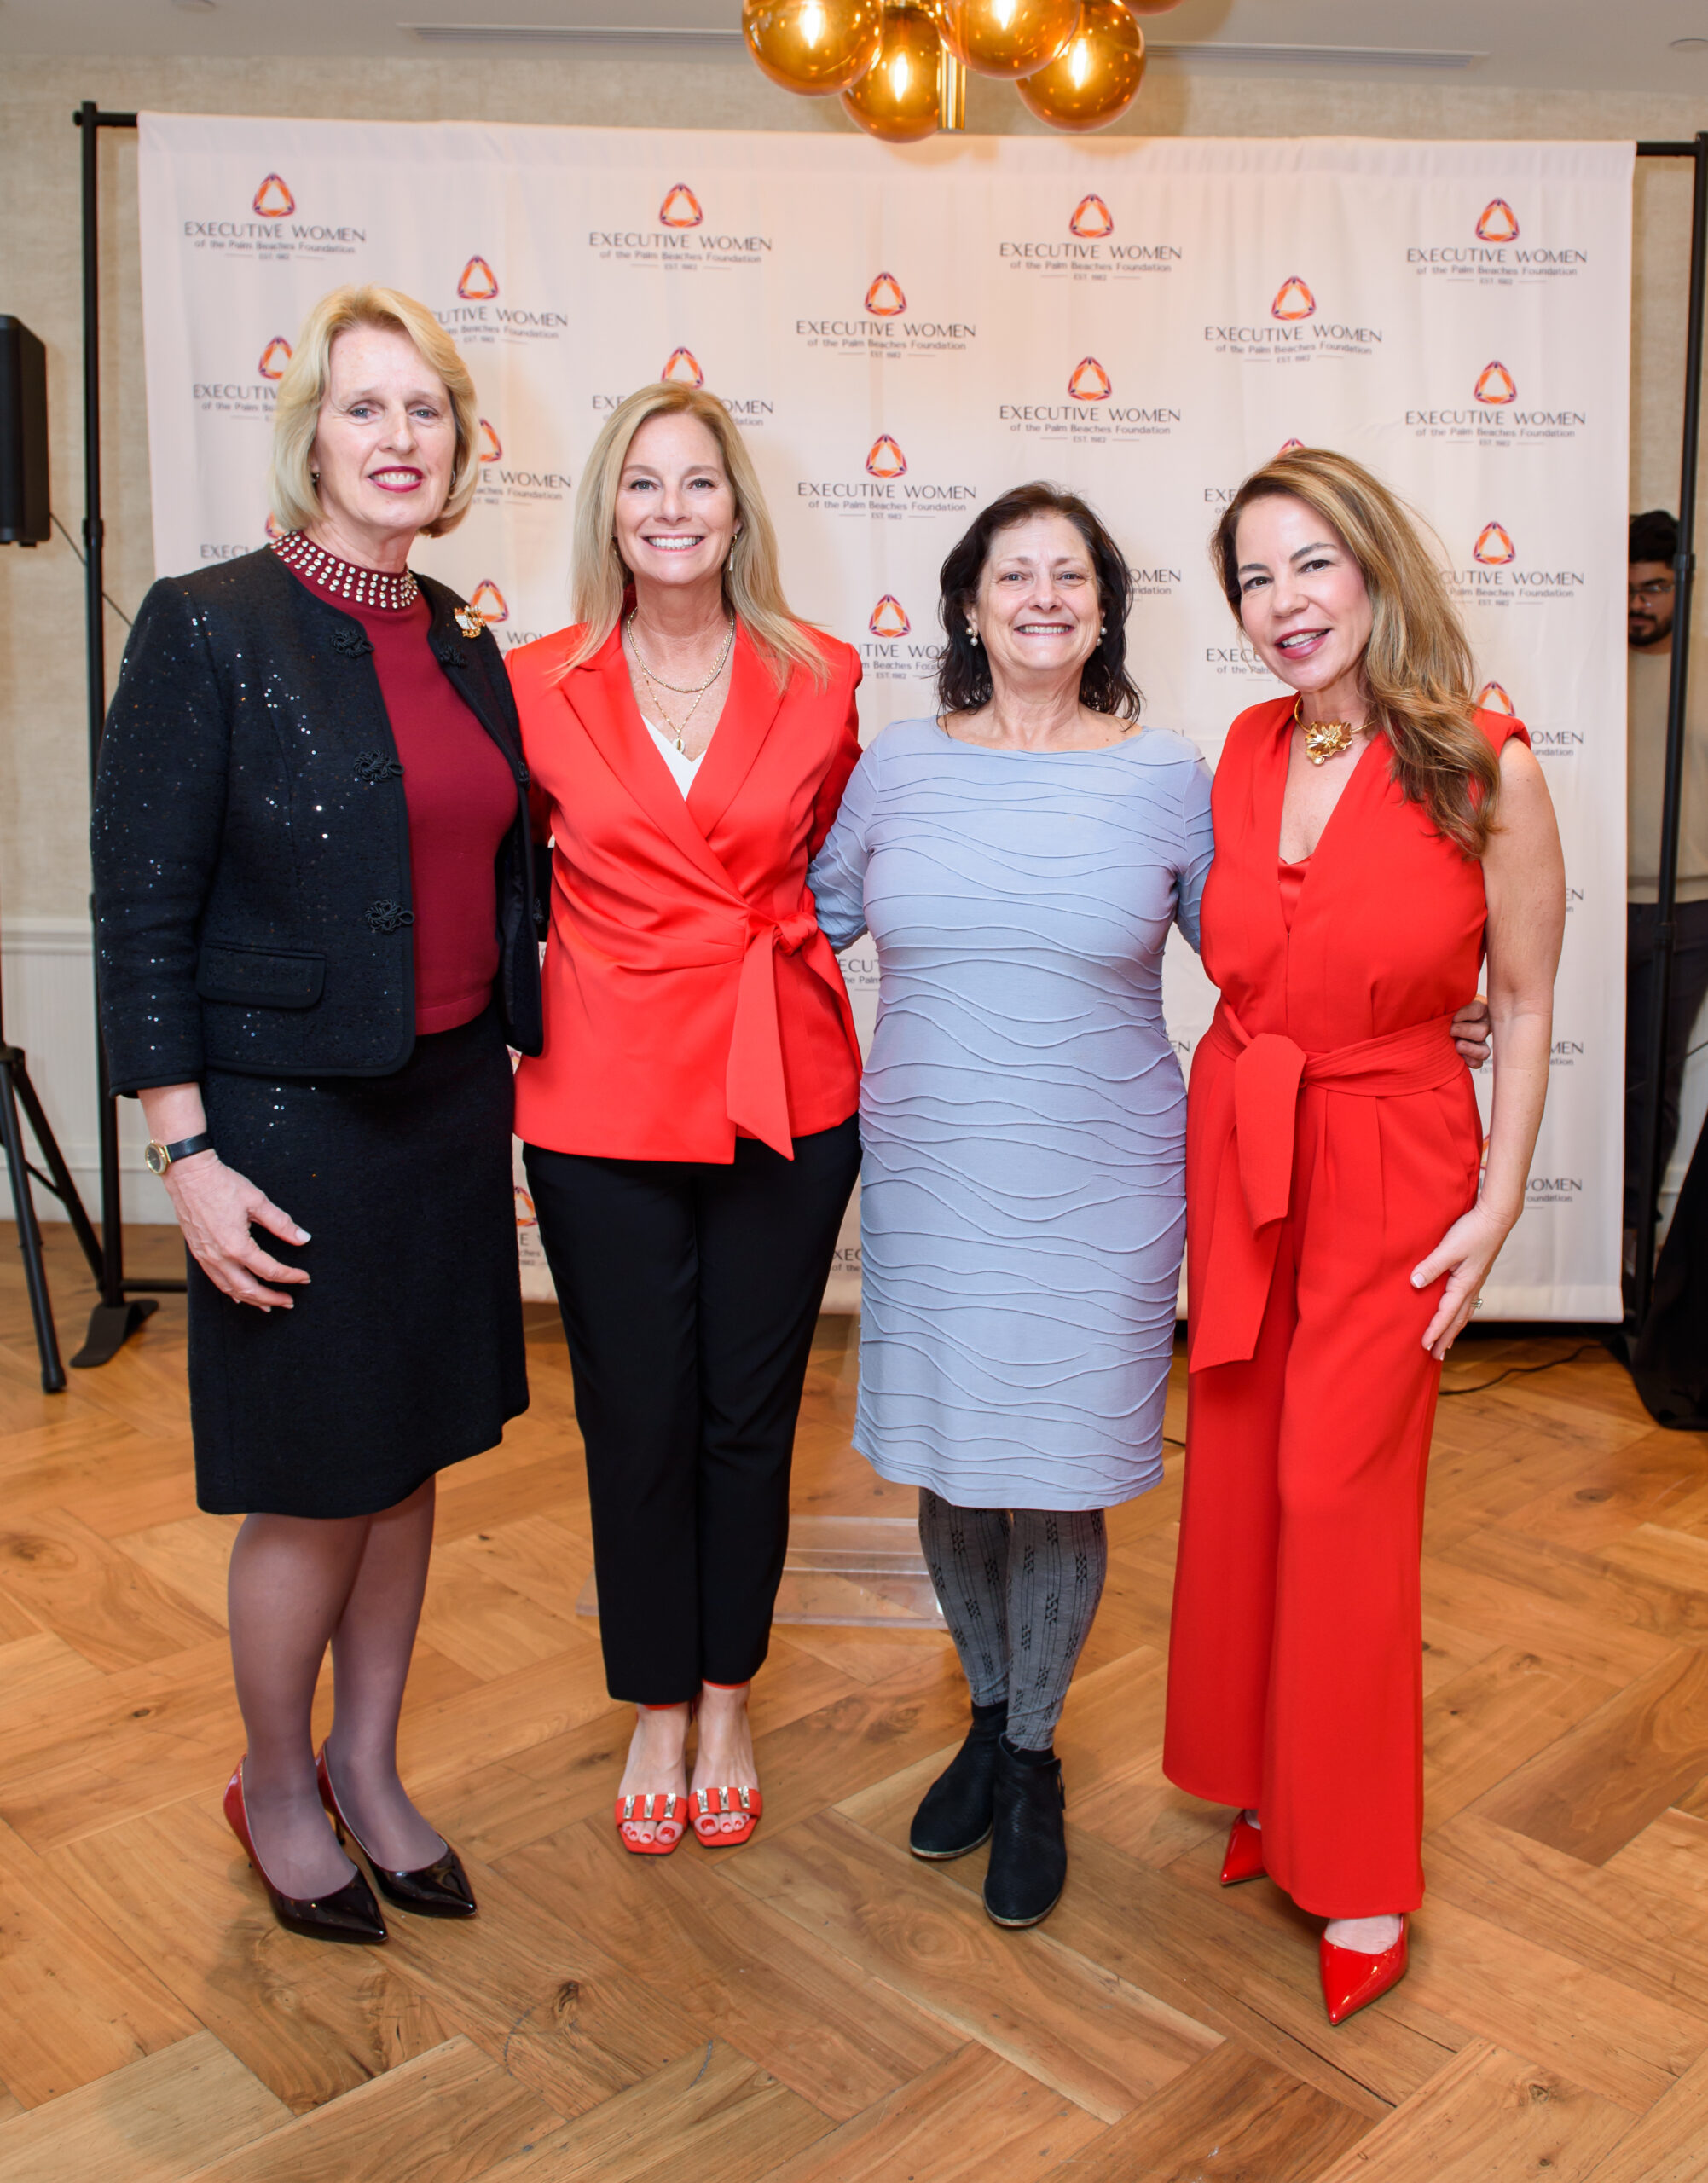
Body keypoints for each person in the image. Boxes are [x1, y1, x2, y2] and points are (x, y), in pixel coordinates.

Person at [93, 285, 541, 1943]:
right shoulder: (210, 626)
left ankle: (367, 1762)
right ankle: (275, 1782)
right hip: (282, 1128)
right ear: (311, 439)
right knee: (316, 1477)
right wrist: (186, 1153)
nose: (398, 437)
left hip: (446, 1109)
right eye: (366, 407)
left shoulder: (465, 641)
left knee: (407, 1459)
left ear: (460, 444)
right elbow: (143, 907)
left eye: (426, 409)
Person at [1163, 448, 1565, 2024]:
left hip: (1395, 1161)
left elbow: (1518, 1002)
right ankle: (1271, 1785)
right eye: (1252, 578)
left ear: (1376, 566)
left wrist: (1499, 1198)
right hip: (1246, 1142)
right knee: (1248, 1474)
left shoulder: (1484, 763)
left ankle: (1359, 1861)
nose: (1282, 604)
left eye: (1310, 564)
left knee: (1339, 1499)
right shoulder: (1245, 746)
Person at [808, 483, 1214, 1930]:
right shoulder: (896, 767)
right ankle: (985, 1716)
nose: (1041, 596)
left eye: (1068, 575)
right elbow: (791, 931)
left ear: (1102, 610)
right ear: (969, 609)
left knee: (1053, 1469)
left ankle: (1031, 1758)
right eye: (1011, 575)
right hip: (930, 1172)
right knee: (951, 1459)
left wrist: (1422, 1000)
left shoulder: (1167, 775)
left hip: (1102, 1175)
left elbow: (1264, 952)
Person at [508, 382, 863, 1856]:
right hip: (599, 1090)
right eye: (642, 483)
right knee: (635, 1413)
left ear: (735, 508)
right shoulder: (530, 681)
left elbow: (838, 864)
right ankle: (654, 1699)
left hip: (783, 1080)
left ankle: (726, 1695)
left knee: (745, 1413)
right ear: (608, 510)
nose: (671, 509)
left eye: (698, 482)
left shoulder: (823, 674)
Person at [1625, 508, 1708, 1274]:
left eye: (1652, 588)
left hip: (1687, 909)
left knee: (1655, 1084)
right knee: (1578, 1076)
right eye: (1627, 589)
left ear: (1682, 584)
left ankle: (1634, 1250)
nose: (1638, 604)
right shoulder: (1590, 674)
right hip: (1590, 903)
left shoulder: (1702, 672)